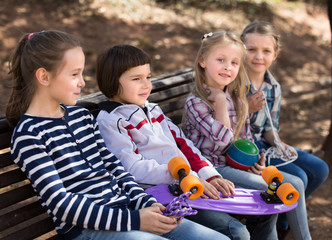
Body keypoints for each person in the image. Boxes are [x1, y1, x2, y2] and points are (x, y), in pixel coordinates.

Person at [6, 30, 231, 240]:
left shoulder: (81, 117)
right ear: (44, 77)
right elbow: (61, 203)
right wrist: (134, 220)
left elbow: (115, 168)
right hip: (89, 228)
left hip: (127, 210)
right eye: (74, 74)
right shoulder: (29, 135)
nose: (83, 82)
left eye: (82, 73)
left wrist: (146, 204)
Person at [95, 44, 278, 240]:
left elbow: (185, 145)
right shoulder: (112, 120)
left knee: (266, 208)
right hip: (159, 195)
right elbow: (132, 168)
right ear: (113, 81)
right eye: (136, 79)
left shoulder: (153, 110)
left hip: (189, 184)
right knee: (237, 232)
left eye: (148, 77)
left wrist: (210, 176)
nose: (146, 85)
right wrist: (186, 177)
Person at [183, 30, 312, 240]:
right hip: (211, 171)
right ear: (203, 61)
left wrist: (257, 162)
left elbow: (246, 139)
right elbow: (224, 139)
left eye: (234, 63)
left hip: (236, 168)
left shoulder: (238, 100)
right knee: (273, 190)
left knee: (295, 183)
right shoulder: (196, 104)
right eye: (221, 60)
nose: (227, 67)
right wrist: (221, 104)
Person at [241, 21, 329, 237]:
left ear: (275, 54)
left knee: (319, 169)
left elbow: (271, 127)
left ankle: (283, 218)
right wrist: (247, 107)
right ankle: (283, 227)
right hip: (248, 149)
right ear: (241, 50)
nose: (258, 56)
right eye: (251, 49)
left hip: (266, 143)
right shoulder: (235, 82)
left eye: (266, 51)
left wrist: (280, 144)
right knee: (300, 176)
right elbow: (229, 128)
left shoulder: (273, 87)